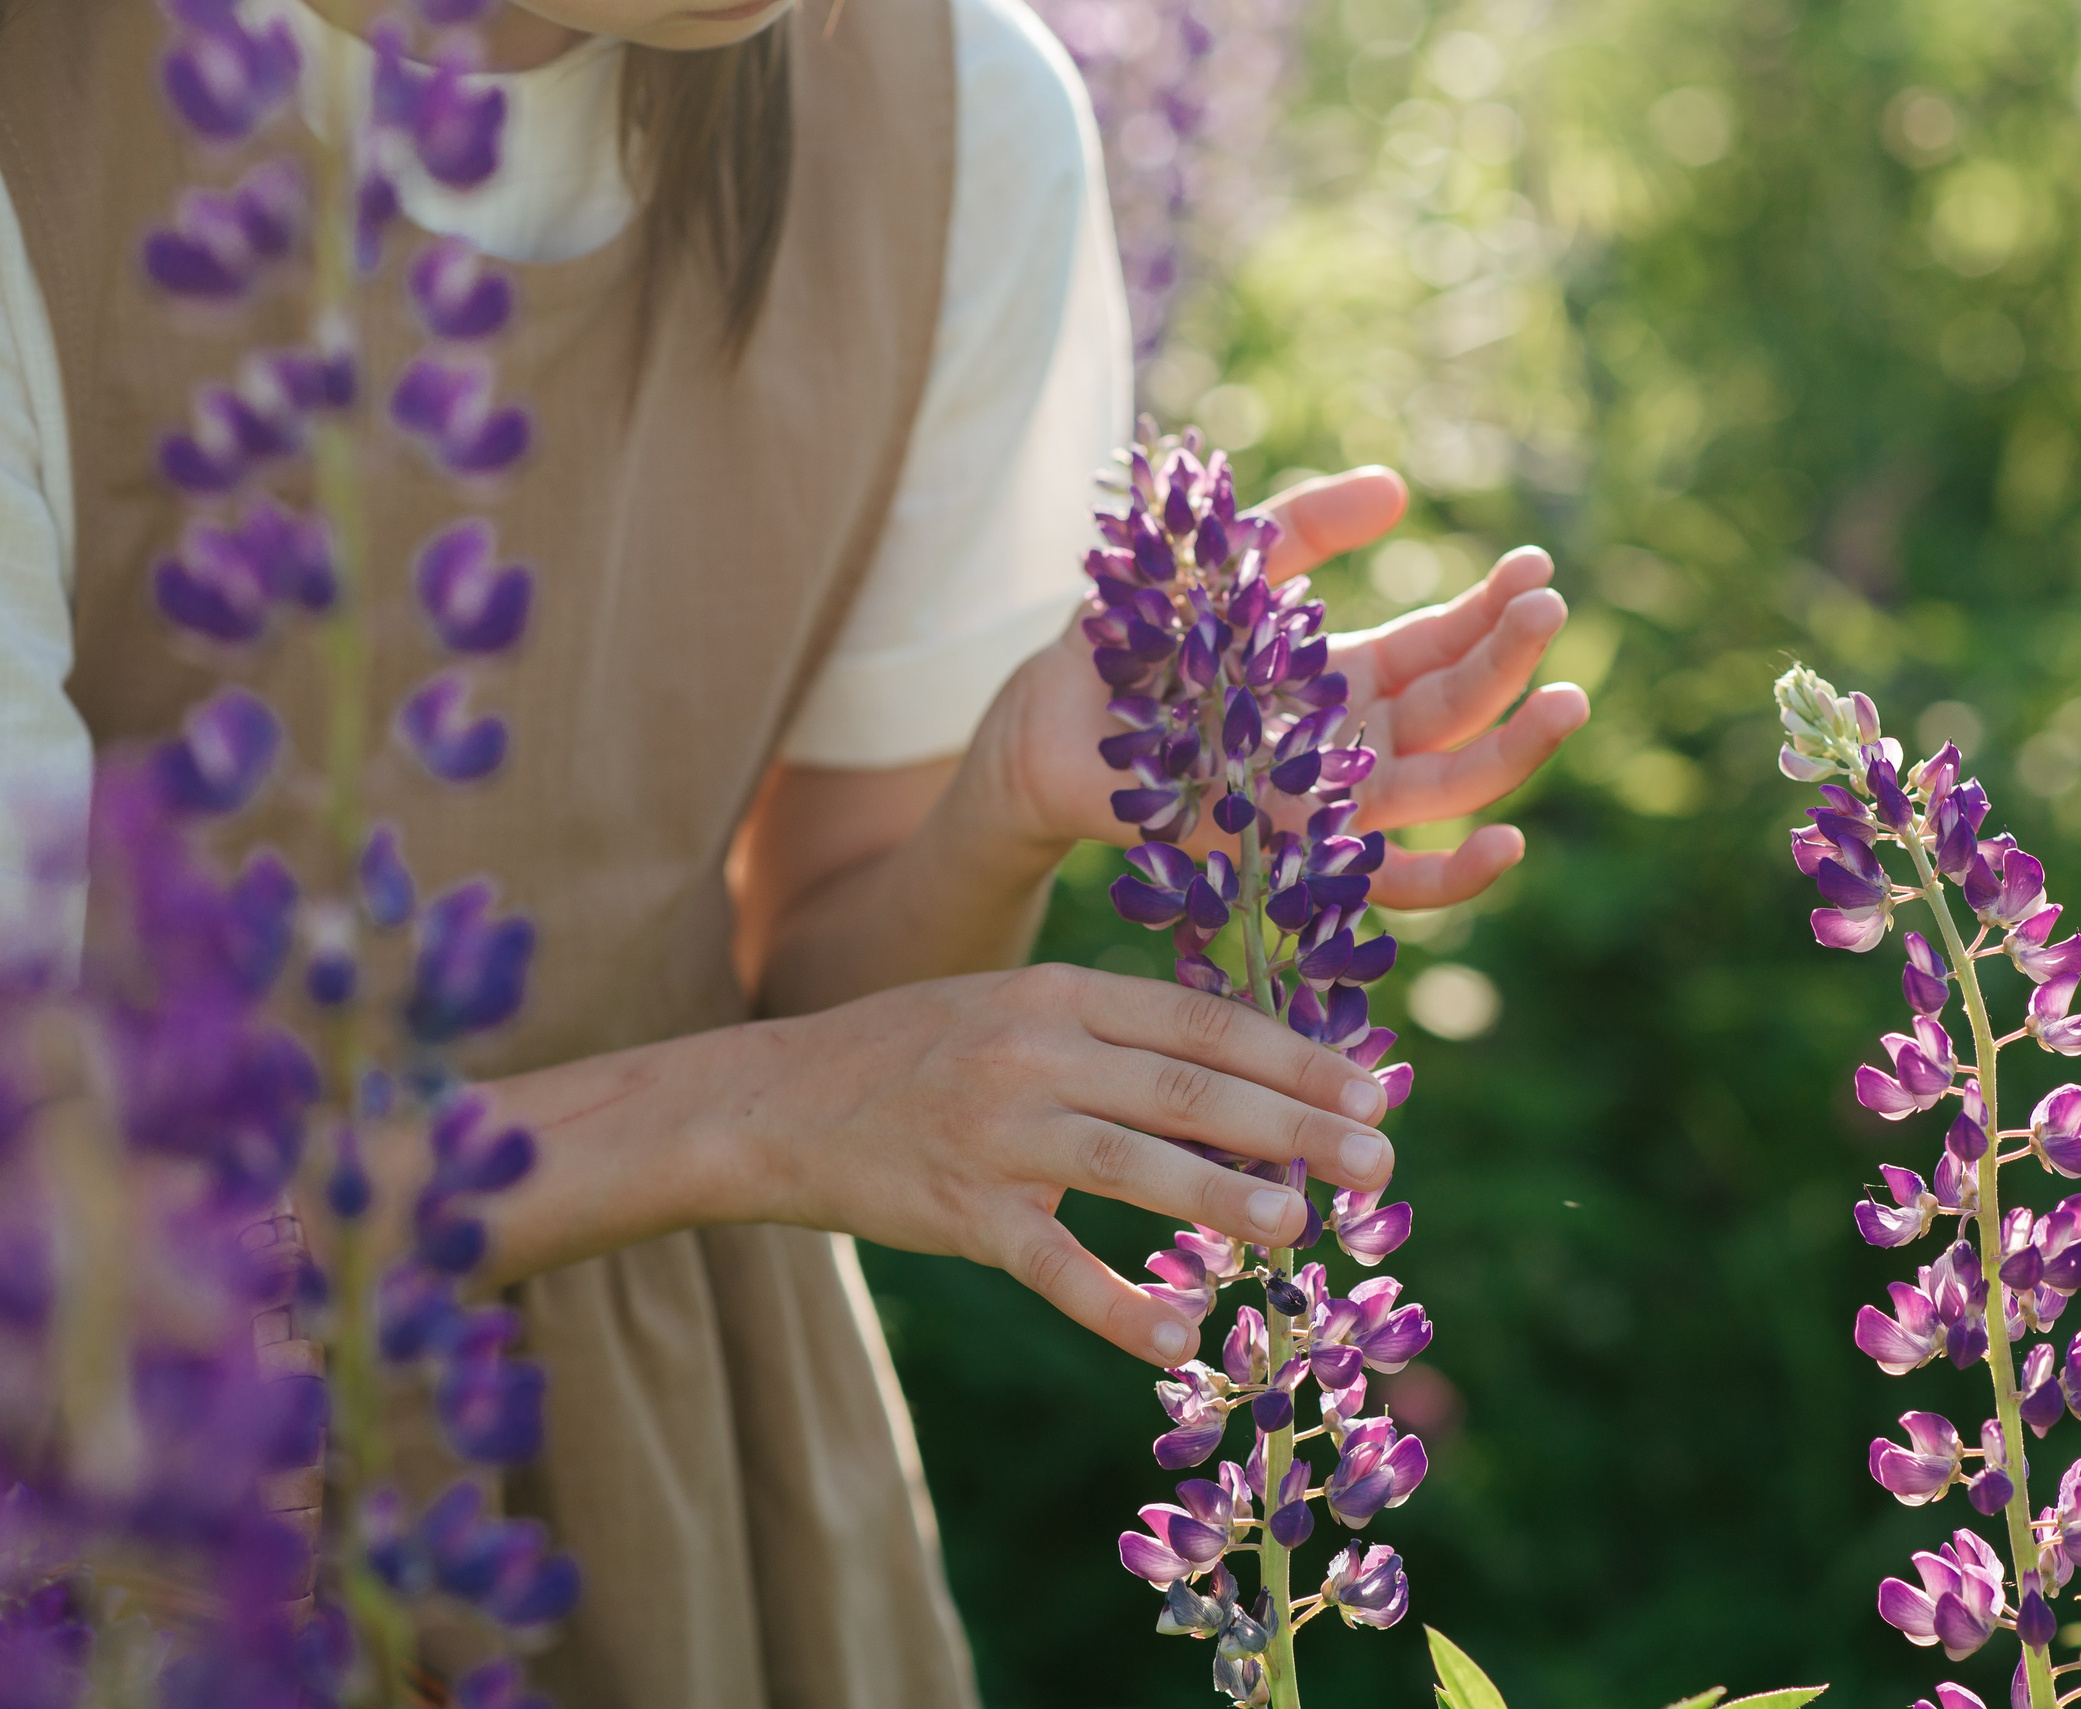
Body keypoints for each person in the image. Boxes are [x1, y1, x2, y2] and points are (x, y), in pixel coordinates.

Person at [0, 0, 1589, 1702]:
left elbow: (825, 985)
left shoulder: (955, 110)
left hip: (675, 1454)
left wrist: (999, 802)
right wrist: (755, 1106)